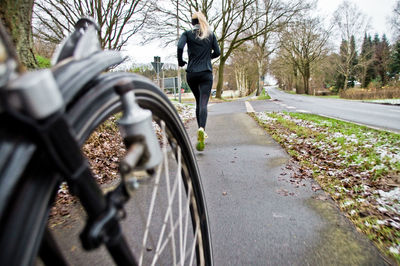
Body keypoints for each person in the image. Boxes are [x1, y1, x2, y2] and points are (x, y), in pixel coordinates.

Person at [177, 11, 220, 151]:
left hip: (192, 73)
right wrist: (208, 57)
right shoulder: (210, 34)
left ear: (192, 22)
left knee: (197, 101)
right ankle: (202, 129)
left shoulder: (187, 34)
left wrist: (181, 61)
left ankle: (199, 128)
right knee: (203, 103)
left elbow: (179, 47)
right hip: (206, 73)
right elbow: (218, 52)